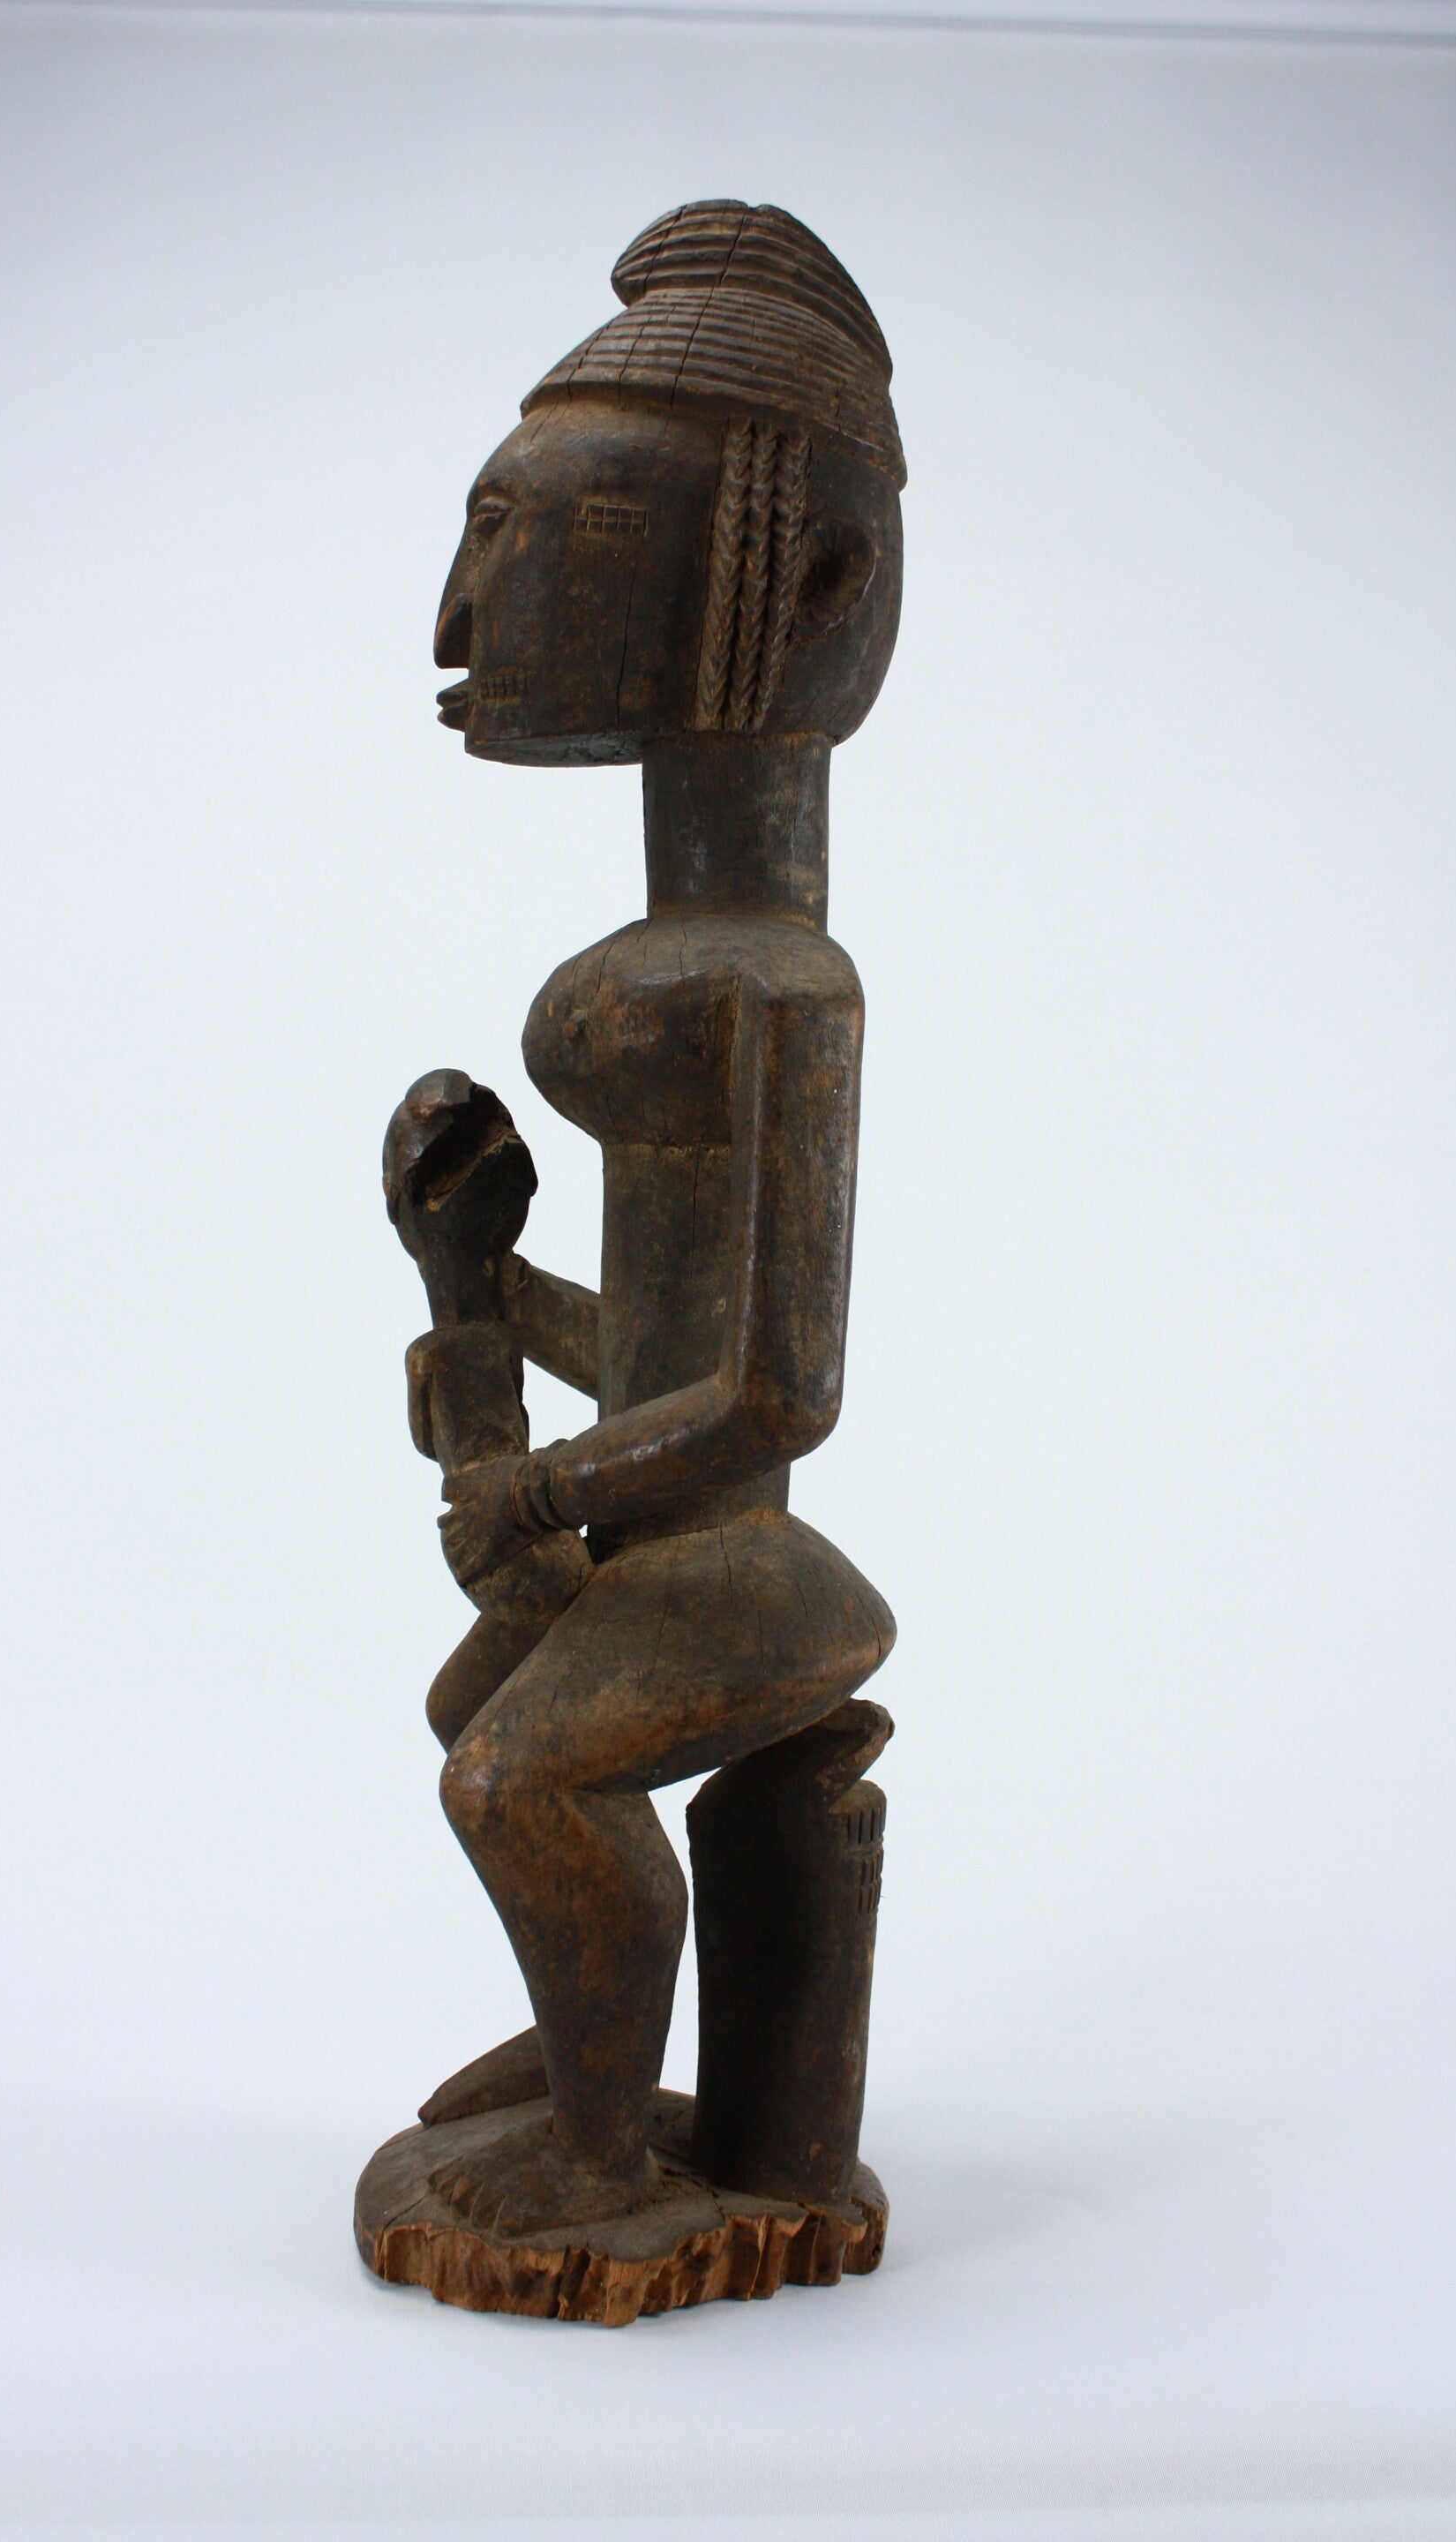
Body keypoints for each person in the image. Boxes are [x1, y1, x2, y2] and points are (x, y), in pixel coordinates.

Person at [411, 201, 904, 2237]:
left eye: (551, 533)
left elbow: (778, 1395)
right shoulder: (714, 961)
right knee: (476, 1711)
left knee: (513, 1772)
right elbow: (664, 1349)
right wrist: (477, 1276)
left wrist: (546, 1492)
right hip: (669, 1543)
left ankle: (608, 2151)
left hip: (748, 1571)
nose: (463, 617)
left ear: (810, 584)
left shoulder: (783, 993)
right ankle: (593, 2033)